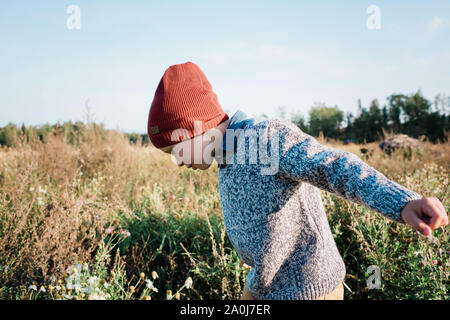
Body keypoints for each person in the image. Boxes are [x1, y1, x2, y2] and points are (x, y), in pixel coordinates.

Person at [147, 61, 448, 300]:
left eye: (177, 150)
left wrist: (401, 201)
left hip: (310, 289)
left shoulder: (265, 138)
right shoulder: (226, 158)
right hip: (264, 284)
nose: (179, 161)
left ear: (196, 128)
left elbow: (337, 168)